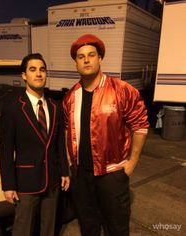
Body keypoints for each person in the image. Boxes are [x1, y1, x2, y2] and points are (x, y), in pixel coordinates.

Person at [63, 34, 149, 236]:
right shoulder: (71, 96)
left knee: (117, 227)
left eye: (91, 55)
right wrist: (69, 161)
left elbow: (141, 125)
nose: (86, 60)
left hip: (112, 174)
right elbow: (67, 129)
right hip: (81, 175)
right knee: (88, 225)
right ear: (75, 62)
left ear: (100, 58)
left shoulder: (122, 90)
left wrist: (132, 162)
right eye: (81, 56)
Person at [0, 53, 70, 236]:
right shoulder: (13, 108)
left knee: (49, 228)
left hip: (52, 180)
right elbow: (5, 150)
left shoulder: (55, 107)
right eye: (33, 70)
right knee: (23, 228)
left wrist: (64, 171)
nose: (38, 74)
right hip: (26, 181)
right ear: (24, 76)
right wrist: (8, 185)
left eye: (42, 69)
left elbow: (59, 143)